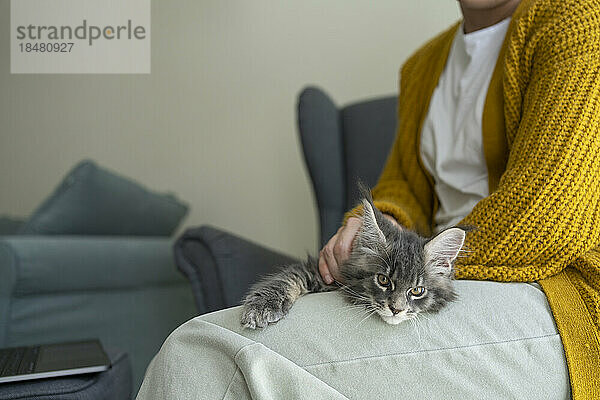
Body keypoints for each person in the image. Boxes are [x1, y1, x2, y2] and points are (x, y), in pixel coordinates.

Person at [137, 0, 600, 398]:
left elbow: (549, 216)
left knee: (199, 356)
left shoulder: (576, 21)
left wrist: (425, 270)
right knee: (205, 344)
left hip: (551, 296)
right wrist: (376, 225)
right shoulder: (423, 65)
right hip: (420, 279)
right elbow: (405, 190)